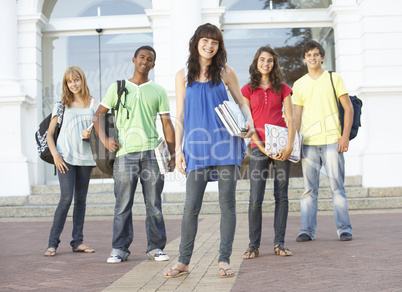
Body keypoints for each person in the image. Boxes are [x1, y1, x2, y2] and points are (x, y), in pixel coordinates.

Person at [163, 23, 254, 279]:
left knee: (227, 204)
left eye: (214, 42)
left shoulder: (226, 72)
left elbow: (241, 102)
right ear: (196, 42)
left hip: (226, 144)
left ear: (219, 46)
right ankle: (183, 261)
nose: (209, 45)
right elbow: (179, 114)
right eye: (205, 40)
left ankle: (224, 260)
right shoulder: (183, 75)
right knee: (191, 206)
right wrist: (178, 151)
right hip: (196, 147)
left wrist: (250, 122)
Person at [93, 45, 175, 263]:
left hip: (152, 154)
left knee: (154, 205)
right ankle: (119, 249)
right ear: (134, 59)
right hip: (124, 154)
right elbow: (97, 116)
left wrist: (173, 154)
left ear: (153, 64)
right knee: (122, 205)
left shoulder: (158, 90)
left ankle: (156, 248)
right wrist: (105, 139)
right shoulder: (117, 87)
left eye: (149, 59)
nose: (145, 62)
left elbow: (167, 123)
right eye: (141, 57)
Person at [292, 40, 353, 242]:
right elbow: (296, 117)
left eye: (316, 54)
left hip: (332, 141)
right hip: (308, 144)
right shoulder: (299, 84)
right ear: (304, 59)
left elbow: (349, 108)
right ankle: (307, 230)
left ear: (322, 57)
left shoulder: (334, 78)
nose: (313, 58)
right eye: (309, 55)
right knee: (309, 190)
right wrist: (294, 143)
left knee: (337, 187)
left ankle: (344, 228)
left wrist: (344, 137)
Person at [241, 46, 295, 259]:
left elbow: (290, 119)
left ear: (274, 64)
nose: (266, 63)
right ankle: (253, 245)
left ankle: (279, 244)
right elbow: (249, 122)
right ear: (256, 62)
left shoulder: (282, 87)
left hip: (281, 146)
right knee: (256, 197)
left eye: (270, 60)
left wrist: (289, 145)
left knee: (281, 195)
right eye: (262, 60)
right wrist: (261, 146)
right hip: (258, 148)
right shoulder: (247, 90)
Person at [44, 65, 99, 257]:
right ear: (66, 84)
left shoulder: (94, 103)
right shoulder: (61, 104)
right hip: (65, 158)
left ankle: (77, 241)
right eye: (69, 81)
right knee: (66, 198)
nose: (73, 84)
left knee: (81, 201)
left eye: (76, 80)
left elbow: (101, 132)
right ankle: (52, 243)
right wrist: (56, 155)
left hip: (86, 158)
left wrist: (91, 133)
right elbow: (50, 135)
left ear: (82, 80)